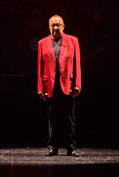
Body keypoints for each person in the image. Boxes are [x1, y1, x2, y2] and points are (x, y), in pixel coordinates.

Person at [37, 15, 81, 156]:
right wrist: (40, 88)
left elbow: (77, 64)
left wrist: (77, 85)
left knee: (69, 117)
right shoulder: (42, 43)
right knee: (52, 117)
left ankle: (71, 147)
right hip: (50, 85)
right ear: (49, 27)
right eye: (53, 25)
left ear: (63, 26)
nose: (55, 28)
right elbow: (40, 67)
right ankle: (53, 147)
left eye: (58, 25)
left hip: (67, 84)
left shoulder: (73, 41)